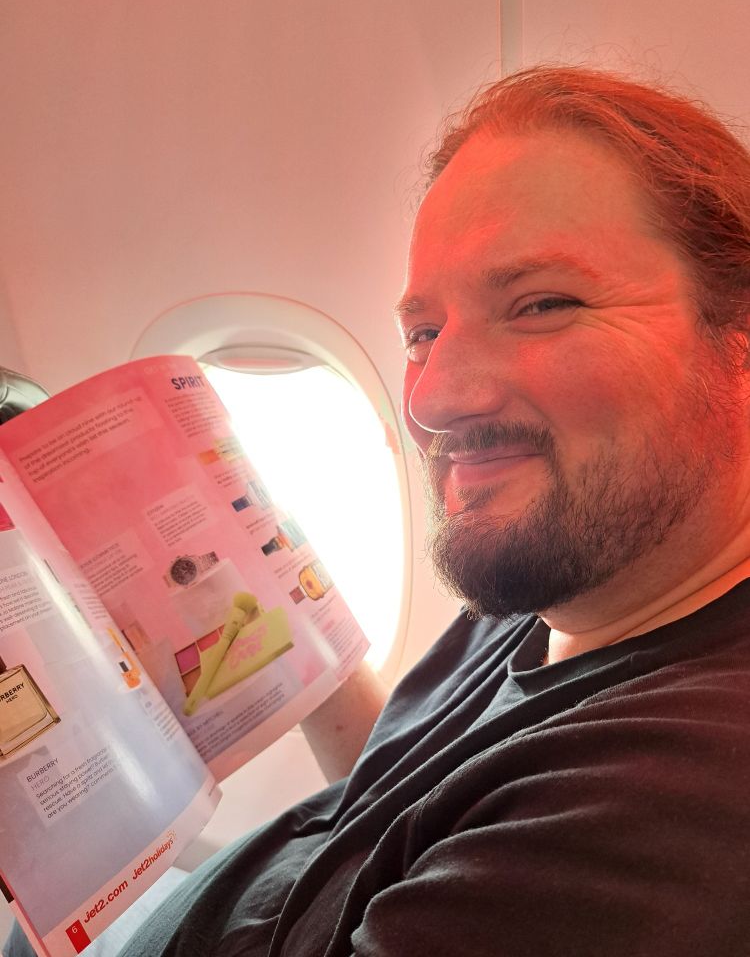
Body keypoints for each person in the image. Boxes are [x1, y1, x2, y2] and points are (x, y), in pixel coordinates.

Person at [8, 64, 750, 956]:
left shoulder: (657, 811)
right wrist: (277, 601)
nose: (434, 399)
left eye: (542, 304)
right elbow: (398, 799)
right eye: (422, 334)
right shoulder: (572, 579)